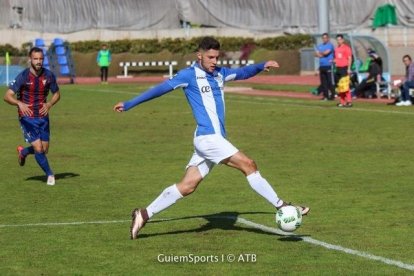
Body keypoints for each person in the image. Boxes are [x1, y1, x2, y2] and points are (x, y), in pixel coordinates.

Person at [113, 37, 310, 240]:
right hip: (208, 138)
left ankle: (143, 214)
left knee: (188, 186)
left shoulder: (219, 74)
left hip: (210, 139)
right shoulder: (188, 75)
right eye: (210, 57)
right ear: (199, 56)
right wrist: (129, 104)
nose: (214, 61)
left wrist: (261, 65)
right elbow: (160, 89)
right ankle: (282, 206)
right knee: (249, 165)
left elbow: (242, 73)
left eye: (217, 57)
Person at [3, 47, 61, 185]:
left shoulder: (49, 75)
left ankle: (23, 152)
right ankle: (50, 175)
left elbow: (57, 94)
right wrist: (19, 103)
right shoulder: (23, 76)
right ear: (30, 59)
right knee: (39, 148)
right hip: (27, 117)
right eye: (36, 59)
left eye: (41, 59)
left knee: (44, 150)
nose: (38, 61)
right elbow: (7, 96)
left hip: (43, 116)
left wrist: (49, 104)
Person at [334, 34, 353, 107]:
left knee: (345, 85)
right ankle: (342, 102)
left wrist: (349, 68)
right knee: (340, 86)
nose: (338, 41)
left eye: (339, 39)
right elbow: (337, 58)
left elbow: (349, 58)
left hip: (344, 68)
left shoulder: (346, 48)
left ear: (343, 40)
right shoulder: (336, 49)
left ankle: (349, 101)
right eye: (337, 40)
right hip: (338, 68)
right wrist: (333, 61)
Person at [315, 33, 335, 100]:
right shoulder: (320, 45)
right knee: (323, 82)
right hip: (322, 66)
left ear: (328, 38)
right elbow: (316, 54)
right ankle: (325, 96)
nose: (324, 39)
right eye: (323, 38)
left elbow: (326, 53)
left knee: (330, 81)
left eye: (325, 38)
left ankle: (332, 95)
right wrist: (321, 53)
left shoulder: (330, 45)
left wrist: (320, 53)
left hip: (328, 65)